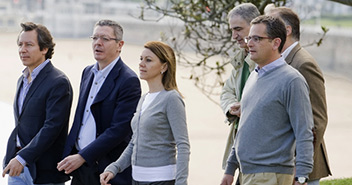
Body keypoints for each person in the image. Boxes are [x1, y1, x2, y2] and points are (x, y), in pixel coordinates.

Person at [220, 15, 314, 185]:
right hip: (247, 173)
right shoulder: (254, 76)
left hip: (271, 175)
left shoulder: (292, 81)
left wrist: (301, 176)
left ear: (276, 43)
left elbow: (304, 132)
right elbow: (243, 128)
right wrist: (230, 169)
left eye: (257, 38)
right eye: (250, 37)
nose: (249, 43)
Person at [57, 19, 141, 185]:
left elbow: (119, 130)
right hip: (80, 167)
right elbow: (80, 118)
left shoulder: (128, 80)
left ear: (120, 45)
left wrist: (83, 156)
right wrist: (69, 153)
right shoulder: (88, 72)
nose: (98, 43)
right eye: (94, 38)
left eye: (105, 39)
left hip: (105, 169)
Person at [100, 41, 190, 185]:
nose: (142, 64)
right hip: (137, 179)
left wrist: (181, 182)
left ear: (164, 66)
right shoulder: (144, 99)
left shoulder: (171, 98)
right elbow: (134, 143)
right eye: (141, 59)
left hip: (161, 180)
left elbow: (183, 145)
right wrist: (114, 168)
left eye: (148, 60)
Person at [266, 7, 332, 185]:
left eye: (272, 24)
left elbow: (317, 120)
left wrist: (300, 168)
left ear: (287, 30)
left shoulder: (303, 64)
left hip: (301, 169)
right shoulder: (283, 60)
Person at [2, 22, 73, 185]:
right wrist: (13, 156)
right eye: (20, 44)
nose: (22, 49)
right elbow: (21, 123)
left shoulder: (58, 82)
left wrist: (22, 158)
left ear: (44, 49)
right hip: (17, 168)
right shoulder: (22, 79)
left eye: (29, 44)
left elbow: (52, 127)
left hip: (43, 172)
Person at [220, 3, 260, 172]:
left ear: (254, 26)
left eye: (238, 29)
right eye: (231, 30)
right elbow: (226, 91)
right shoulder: (239, 59)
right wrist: (231, 107)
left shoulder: (263, 61)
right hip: (239, 140)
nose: (233, 36)